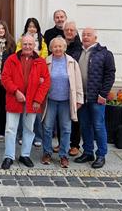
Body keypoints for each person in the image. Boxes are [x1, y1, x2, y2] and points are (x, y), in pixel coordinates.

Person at [0, 34, 51, 170]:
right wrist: (15, 91)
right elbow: (5, 78)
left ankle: (25, 155)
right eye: (25, 44)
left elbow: (45, 82)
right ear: (21, 45)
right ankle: (9, 156)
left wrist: (37, 100)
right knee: (11, 129)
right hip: (14, 99)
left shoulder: (40, 61)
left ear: (34, 45)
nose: (27, 46)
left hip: (33, 102)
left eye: (30, 44)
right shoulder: (11, 59)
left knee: (29, 129)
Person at [74, 27, 116, 169]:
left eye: (89, 35)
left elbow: (110, 75)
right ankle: (87, 152)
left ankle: (101, 155)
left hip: (97, 97)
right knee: (85, 125)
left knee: (98, 125)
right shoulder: (77, 52)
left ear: (95, 38)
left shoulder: (105, 54)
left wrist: (103, 94)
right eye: (83, 35)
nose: (85, 37)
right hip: (82, 96)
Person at [42, 37, 84, 168]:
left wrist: (79, 99)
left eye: (60, 46)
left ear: (64, 48)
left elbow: (78, 82)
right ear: (51, 48)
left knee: (66, 129)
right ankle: (47, 152)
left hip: (66, 101)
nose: (58, 49)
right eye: (55, 47)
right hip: (50, 100)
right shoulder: (46, 62)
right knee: (47, 128)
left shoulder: (72, 62)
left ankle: (63, 155)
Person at [15, 18, 48, 147]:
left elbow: (43, 56)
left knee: (36, 111)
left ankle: (38, 136)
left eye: (34, 26)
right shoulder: (21, 40)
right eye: (30, 26)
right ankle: (22, 135)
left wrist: (36, 58)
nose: (32, 29)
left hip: (37, 78)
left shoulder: (42, 40)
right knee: (22, 111)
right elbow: (19, 53)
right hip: (24, 78)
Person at [63, 21, 83, 156]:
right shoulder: (62, 43)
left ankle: (75, 145)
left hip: (74, 84)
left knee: (75, 117)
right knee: (62, 117)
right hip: (61, 86)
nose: (69, 32)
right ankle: (62, 143)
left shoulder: (78, 47)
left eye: (72, 30)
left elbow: (70, 61)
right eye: (67, 30)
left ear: (75, 32)